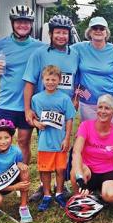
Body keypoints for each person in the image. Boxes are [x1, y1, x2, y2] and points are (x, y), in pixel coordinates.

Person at [22, 15, 79, 201]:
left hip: (65, 109)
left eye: (64, 32)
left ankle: (61, 187)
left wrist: (77, 98)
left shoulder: (75, 54)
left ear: (69, 34)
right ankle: (43, 186)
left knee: (63, 145)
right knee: (45, 146)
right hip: (44, 110)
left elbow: (79, 80)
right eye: (57, 32)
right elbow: (30, 81)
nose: (61, 36)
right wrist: (27, 109)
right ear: (51, 34)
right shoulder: (40, 54)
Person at [0, 5, 44, 166]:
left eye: (26, 22)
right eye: (19, 22)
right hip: (6, 103)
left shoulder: (40, 47)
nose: (22, 25)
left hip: (28, 105)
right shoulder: (0, 45)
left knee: (24, 142)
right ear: (12, 23)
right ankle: (4, 173)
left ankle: (21, 176)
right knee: (2, 142)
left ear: (31, 24)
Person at [70, 94, 113, 218]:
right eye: (100, 107)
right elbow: (76, 152)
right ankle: (78, 198)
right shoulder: (86, 126)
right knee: (75, 171)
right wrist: (79, 178)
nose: (102, 111)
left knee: (111, 196)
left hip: (109, 172)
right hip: (88, 170)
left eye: (107, 108)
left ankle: (98, 195)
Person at [30, 65, 76, 211]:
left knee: (60, 169)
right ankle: (47, 194)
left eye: (53, 79)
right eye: (47, 79)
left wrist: (67, 138)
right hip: (45, 142)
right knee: (45, 169)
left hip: (59, 140)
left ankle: (60, 193)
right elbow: (34, 117)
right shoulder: (36, 99)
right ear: (43, 80)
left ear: (59, 80)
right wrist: (37, 123)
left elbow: (69, 119)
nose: (50, 82)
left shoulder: (64, 99)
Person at [71, 17, 113, 126]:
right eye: (95, 28)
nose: (98, 31)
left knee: (111, 134)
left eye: (102, 28)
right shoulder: (78, 48)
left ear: (106, 32)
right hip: (88, 100)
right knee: (90, 135)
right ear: (89, 32)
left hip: (110, 99)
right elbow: (61, 52)